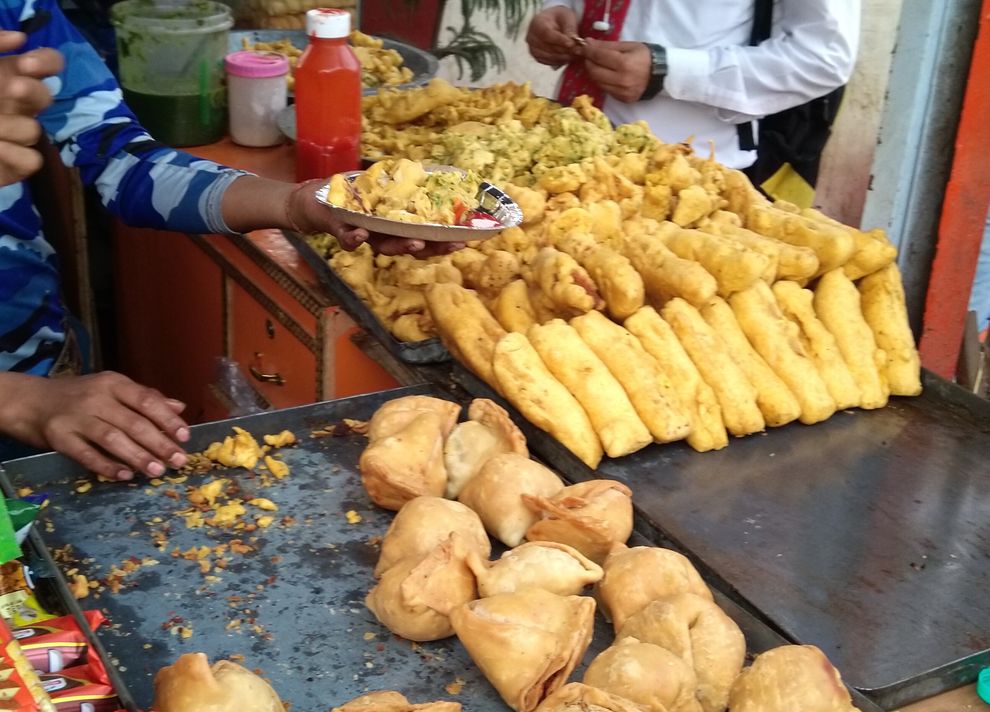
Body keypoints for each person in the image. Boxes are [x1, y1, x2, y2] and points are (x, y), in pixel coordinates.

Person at [0, 8, 460, 482]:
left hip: (43, 361)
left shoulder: (19, 13)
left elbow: (122, 162)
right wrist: (16, 400)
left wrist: (299, 205)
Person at [525, 1, 860, 171]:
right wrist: (561, 9)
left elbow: (824, 55)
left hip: (682, 180)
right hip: (557, 150)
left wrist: (669, 72)